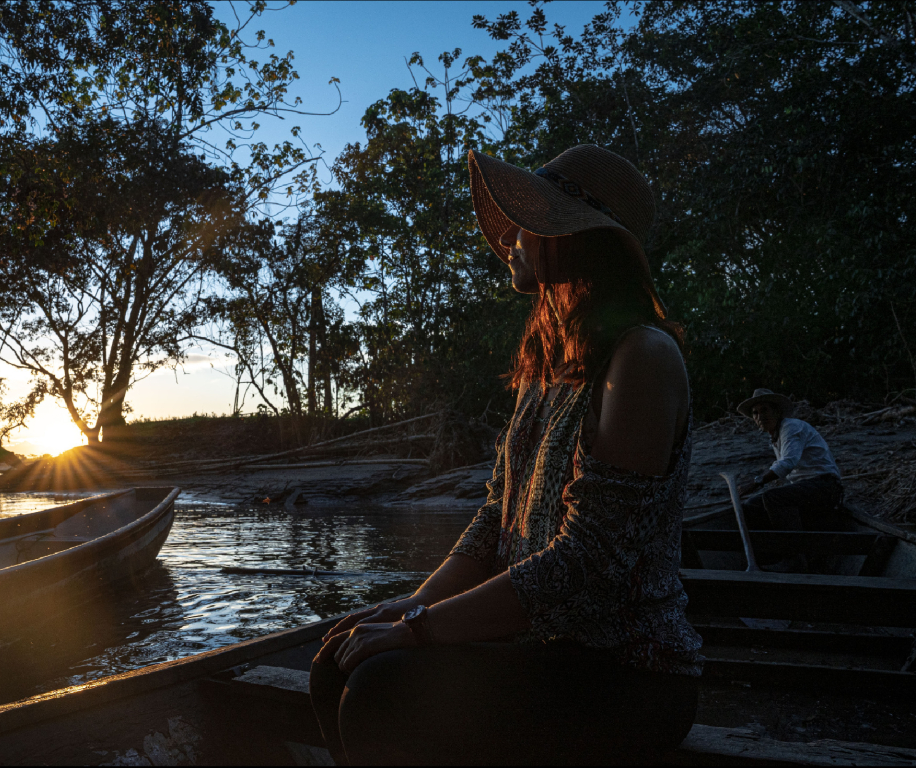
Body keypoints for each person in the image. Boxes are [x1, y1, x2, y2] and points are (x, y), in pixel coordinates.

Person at [309, 145, 702, 765]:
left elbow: (590, 561)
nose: (512, 237)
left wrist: (422, 630)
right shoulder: (547, 370)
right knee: (334, 661)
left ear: (566, 237)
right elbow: (497, 520)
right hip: (538, 647)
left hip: (625, 671)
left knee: (381, 690)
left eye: (528, 220)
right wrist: (414, 603)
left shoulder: (641, 358)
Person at [736, 388, 845, 532]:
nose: (760, 416)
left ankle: (794, 548)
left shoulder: (791, 427)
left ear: (776, 411)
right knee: (751, 505)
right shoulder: (776, 435)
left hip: (825, 487)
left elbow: (788, 462)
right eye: (755, 413)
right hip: (805, 488)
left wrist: (757, 482)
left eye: (765, 410)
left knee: (772, 498)